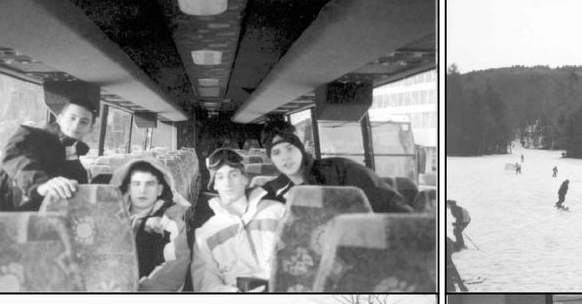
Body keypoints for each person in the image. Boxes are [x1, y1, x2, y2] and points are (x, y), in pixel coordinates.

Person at [0, 80, 97, 211]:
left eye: (83, 122)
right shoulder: (30, 136)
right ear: (60, 119)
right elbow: (13, 156)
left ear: (90, 129)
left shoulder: (76, 167)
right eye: (72, 118)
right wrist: (41, 184)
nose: (76, 125)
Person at [191, 148, 285, 292]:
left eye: (233, 175)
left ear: (244, 179)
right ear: (214, 185)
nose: (227, 183)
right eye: (220, 177)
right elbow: (206, 285)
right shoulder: (204, 234)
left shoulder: (277, 211)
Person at [262, 123, 410, 213]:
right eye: (276, 153)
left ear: (301, 149)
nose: (285, 157)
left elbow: (392, 209)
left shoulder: (342, 170)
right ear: (271, 160)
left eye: (290, 148)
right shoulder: (274, 190)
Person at [110, 156, 191, 292]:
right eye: (137, 184)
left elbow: (174, 268)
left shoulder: (171, 224)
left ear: (159, 190)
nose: (142, 190)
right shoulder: (108, 216)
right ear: (129, 189)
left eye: (150, 184)